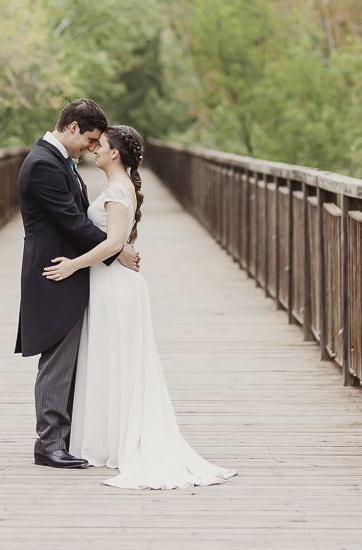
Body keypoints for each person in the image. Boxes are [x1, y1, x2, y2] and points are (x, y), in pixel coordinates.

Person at [43, 125, 237, 489]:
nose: (93, 149)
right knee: (109, 361)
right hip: (108, 285)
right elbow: (117, 242)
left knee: (116, 361)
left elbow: (114, 243)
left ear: (114, 152)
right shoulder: (117, 188)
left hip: (113, 288)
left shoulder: (117, 191)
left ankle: (116, 441)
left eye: (99, 145)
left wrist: (72, 264)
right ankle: (106, 437)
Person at [15, 99, 141, 469]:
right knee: (57, 358)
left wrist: (115, 245)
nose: (90, 147)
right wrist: (116, 251)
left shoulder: (57, 161)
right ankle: (49, 442)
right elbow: (72, 222)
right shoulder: (42, 165)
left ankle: (64, 436)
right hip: (56, 272)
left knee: (69, 358)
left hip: (71, 270)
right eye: (89, 138)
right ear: (71, 127)